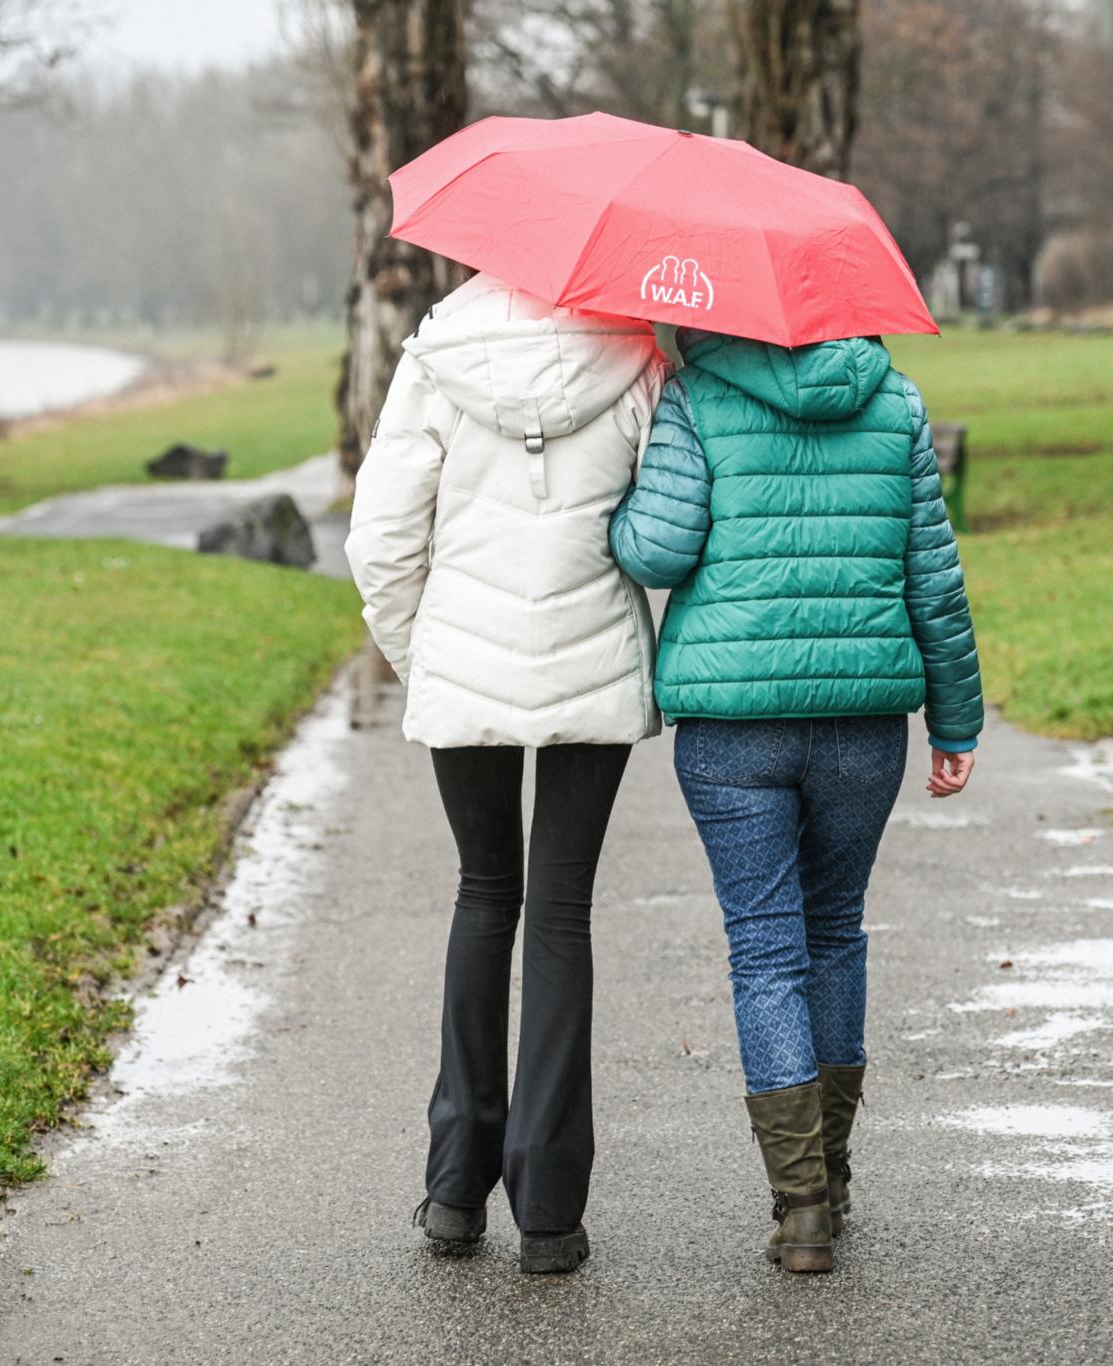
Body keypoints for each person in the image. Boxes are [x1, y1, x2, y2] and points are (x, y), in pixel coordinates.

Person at [608, 327, 982, 1274]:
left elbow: (655, 552)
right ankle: (834, 1171)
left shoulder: (699, 395)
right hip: (865, 722)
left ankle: (803, 1204)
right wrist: (956, 720)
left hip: (734, 724)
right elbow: (933, 579)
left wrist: (618, 513)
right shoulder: (894, 401)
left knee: (766, 948)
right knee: (835, 930)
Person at [345, 272, 666, 1274]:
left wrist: (426, 659)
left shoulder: (436, 353)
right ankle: (550, 1212)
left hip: (464, 665)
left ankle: (454, 1189)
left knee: (484, 895)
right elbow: (664, 531)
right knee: (560, 911)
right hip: (592, 666)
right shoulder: (637, 356)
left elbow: (380, 541)